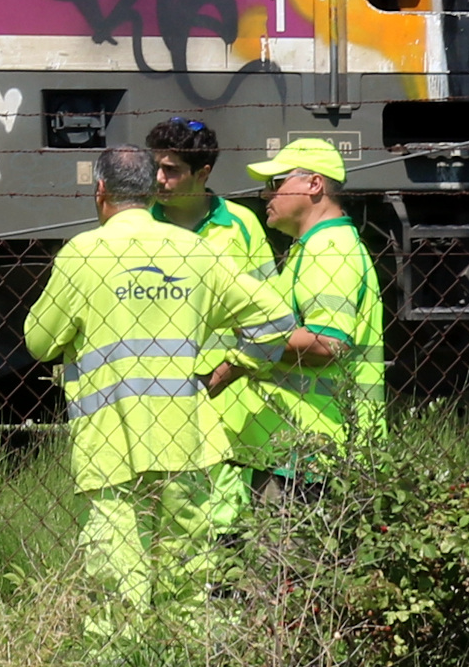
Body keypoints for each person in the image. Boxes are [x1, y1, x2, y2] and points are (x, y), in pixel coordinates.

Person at [20, 144, 291, 635]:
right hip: (186, 437)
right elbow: (273, 320)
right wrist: (234, 366)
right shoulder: (194, 251)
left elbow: (40, 343)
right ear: (150, 191)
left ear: (100, 190)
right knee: (188, 578)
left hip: (109, 444)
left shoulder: (83, 253)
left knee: (118, 581)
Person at [234, 138, 383, 506]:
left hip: (312, 458)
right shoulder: (314, 247)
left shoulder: (328, 250)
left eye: (276, 183)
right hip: (304, 450)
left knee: (290, 563)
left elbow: (325, 342)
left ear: (314, 185)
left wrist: (246, 341)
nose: (265, 195)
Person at [142, 118, 277, 285]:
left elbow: (269, 294)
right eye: (156, 167)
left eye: (171, 169)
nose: (159, 178)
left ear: (202, 174)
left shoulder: (243, 223)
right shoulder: (139, 223)